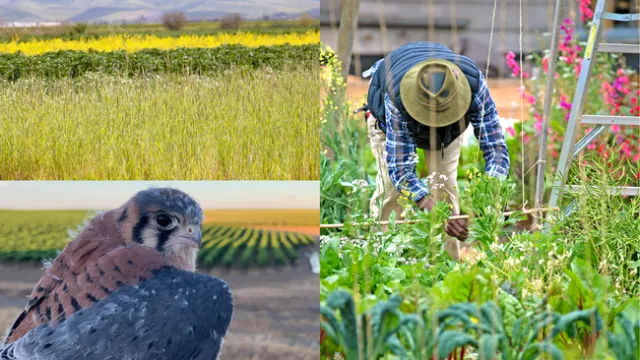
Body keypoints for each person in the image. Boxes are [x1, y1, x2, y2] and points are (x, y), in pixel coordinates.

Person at [362, 41, 510, 260]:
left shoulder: (473, 84)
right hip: (389, 120)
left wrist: (486, 198)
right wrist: (431, 207)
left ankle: (447, 266)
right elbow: (401, 170)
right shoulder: (397, 97)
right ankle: (384, 261)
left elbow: (496, 149)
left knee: (446, 189)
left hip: (447, 135)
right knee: (390, 191)